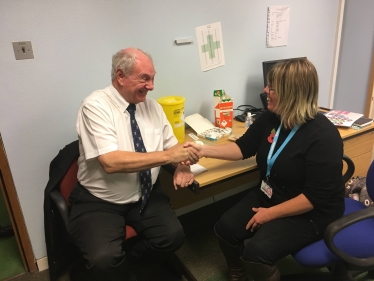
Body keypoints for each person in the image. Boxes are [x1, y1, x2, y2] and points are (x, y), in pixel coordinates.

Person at [185, 58, 344, 281]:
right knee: (225, 228)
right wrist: (202, 150)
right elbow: (243, 147)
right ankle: (237, 272)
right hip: (271, 193)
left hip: (312, 212)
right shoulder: (272, 116)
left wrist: (268, 214)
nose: (265, 90)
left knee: (257, 253)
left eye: (272, 87)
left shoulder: (323, 136)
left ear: (291, 93)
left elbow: (313, 198)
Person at [68, 48, 199, 281]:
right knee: (103, 260)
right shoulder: (95, 106)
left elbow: (174, 148)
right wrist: (169, 158)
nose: (151, 86)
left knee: (172, 238)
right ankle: (113, 271)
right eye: (144, 78)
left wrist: (183, 165)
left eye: (152, 78)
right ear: (120, 76)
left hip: (145, 193)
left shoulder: (153, 108)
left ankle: (127, 271)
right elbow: (110, 162)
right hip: (101, 199)